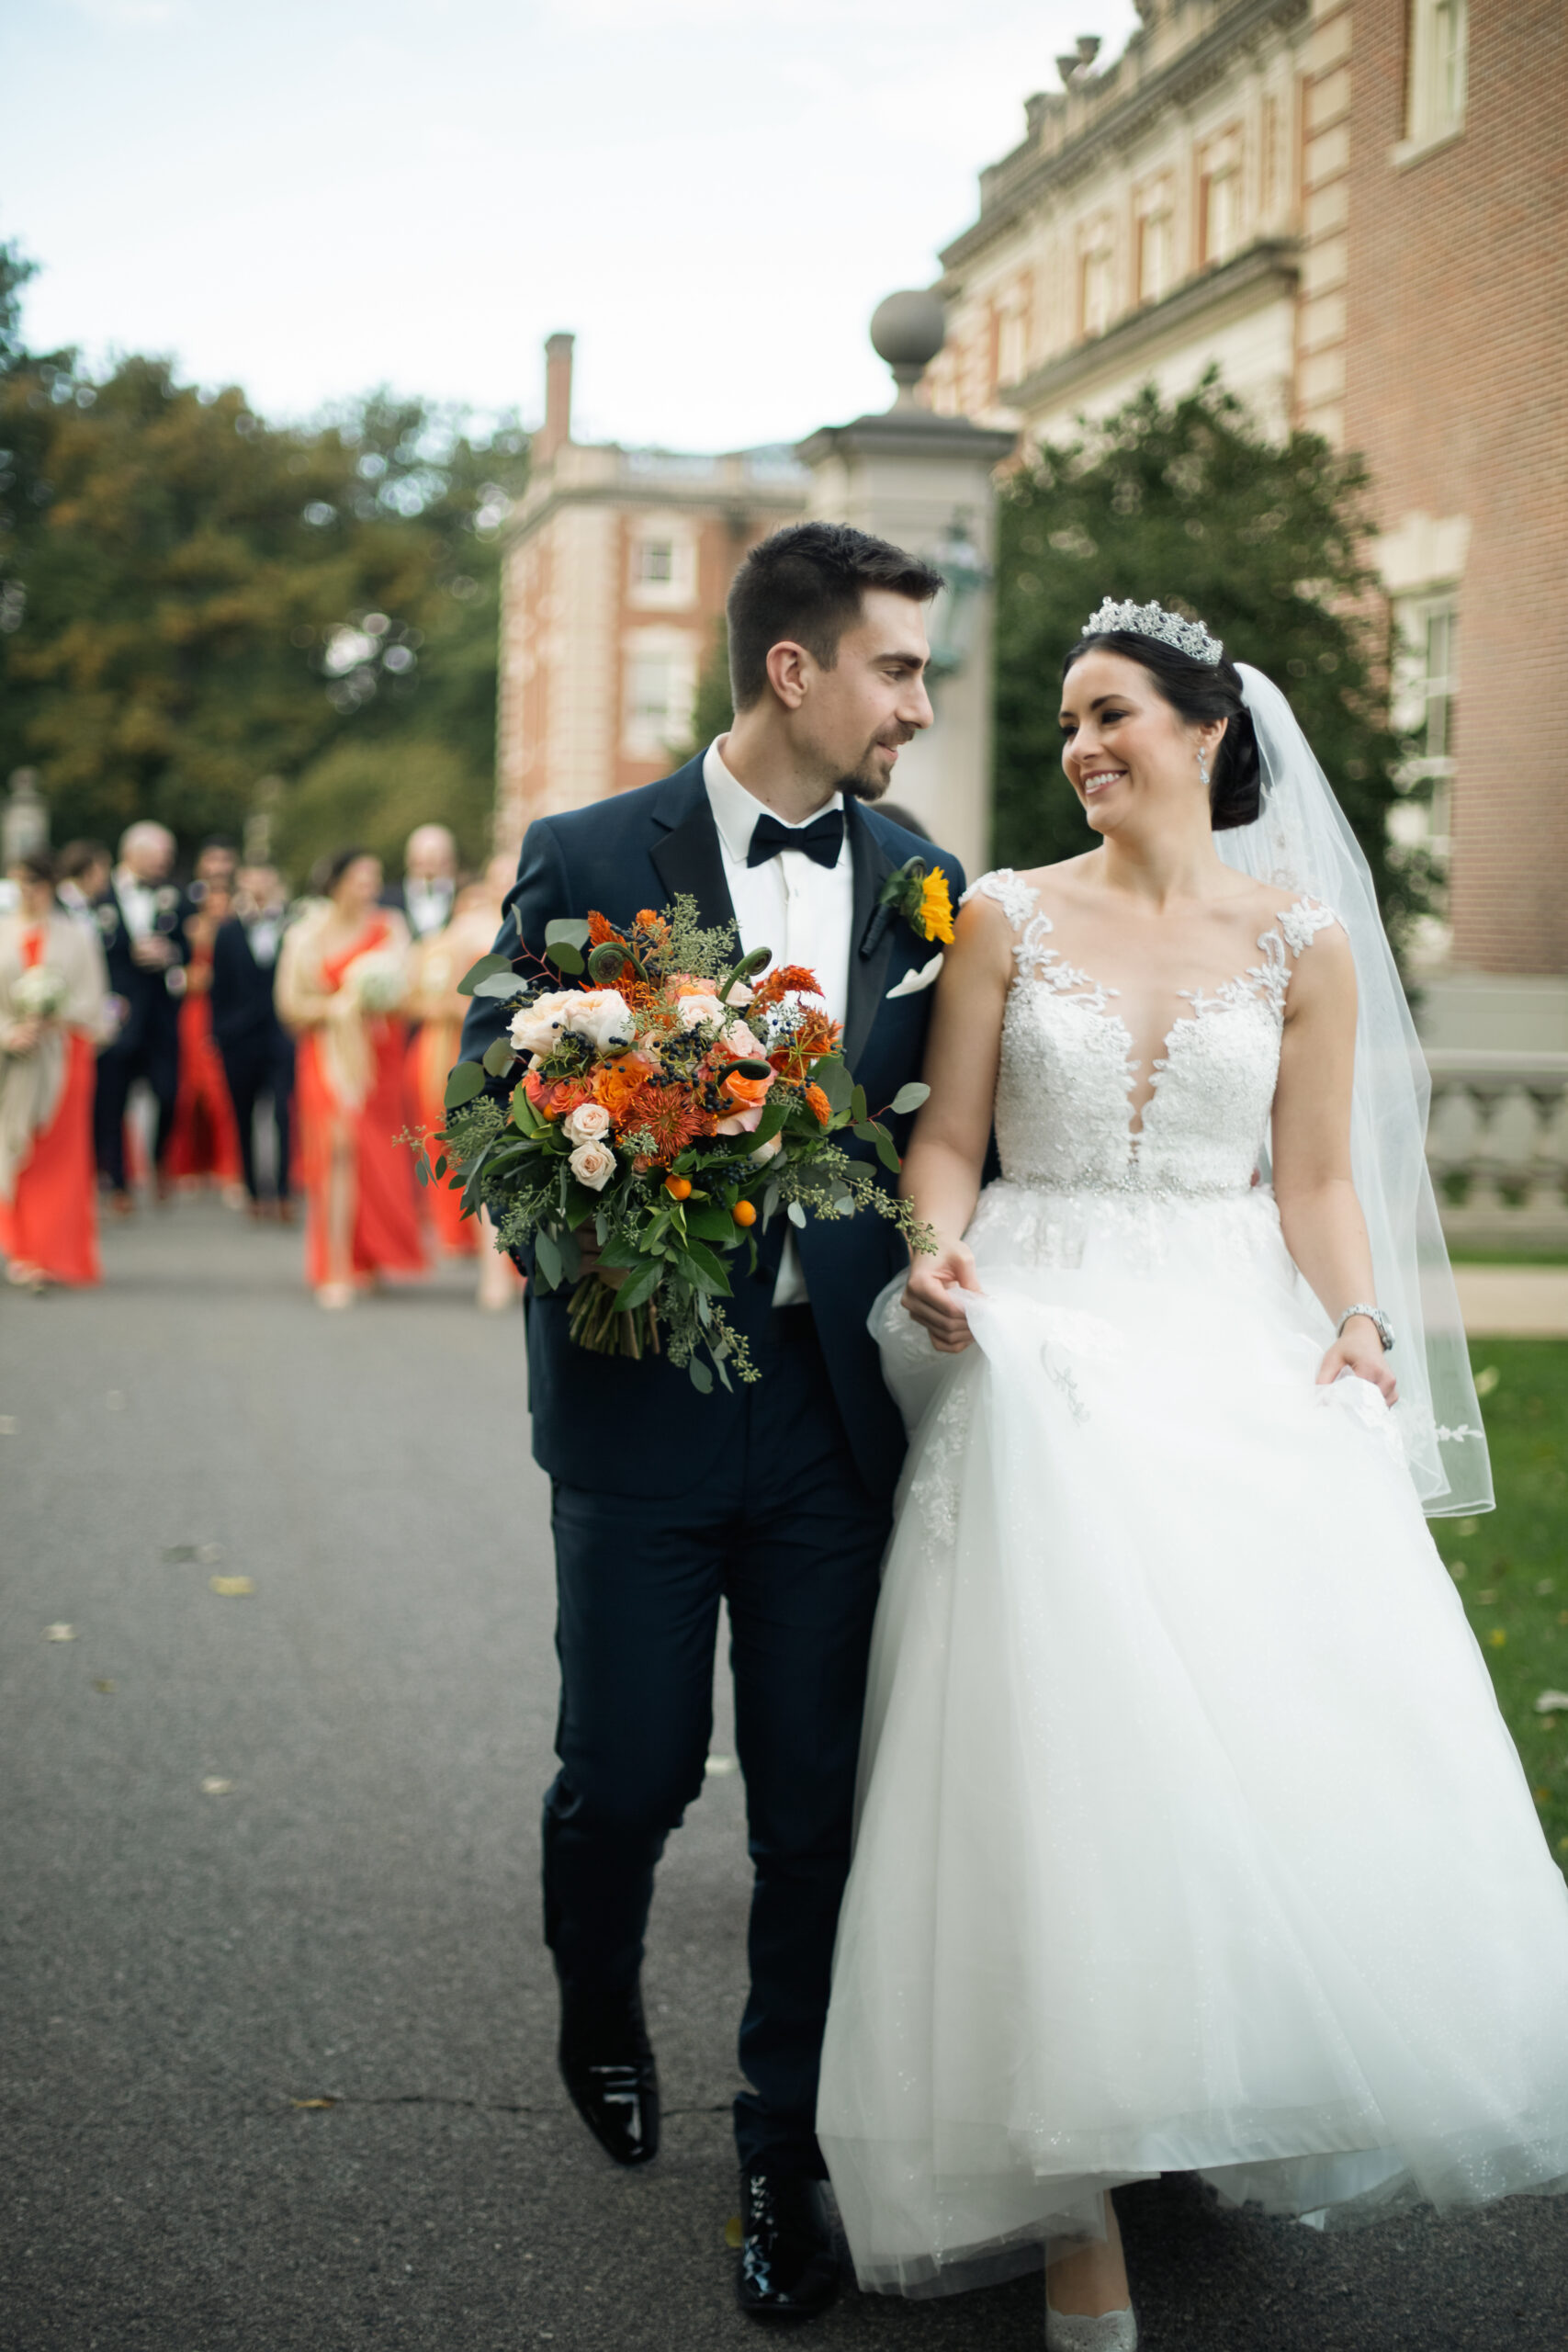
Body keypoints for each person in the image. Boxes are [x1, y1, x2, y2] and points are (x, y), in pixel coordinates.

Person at [815, 602, 1568, 2347]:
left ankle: (1191, 2080)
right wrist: (934, 1252)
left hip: (1226, 1330)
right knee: (1049, 1735)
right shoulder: (1004, 914)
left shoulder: (1300, 941)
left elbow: (1310, 1182)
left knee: (1240, 1731)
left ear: (1207, 730)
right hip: (1040, 1326)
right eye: (1068, 722)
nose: (1080, 746)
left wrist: (1358, 1320)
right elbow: (946, 1137)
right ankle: (1069, 2206)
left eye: (1112, 714)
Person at [458, 521, 964, 2323]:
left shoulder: (924, 881)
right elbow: (494, 1094)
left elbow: (949, 1129)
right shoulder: (589, 852)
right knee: (630, 1774)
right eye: (897, 667)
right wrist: (609, 1199)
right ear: (793, 669)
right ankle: (595, 1988)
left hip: (838, 1420)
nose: (921, 703)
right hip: (639, 1401)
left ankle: (778, 2157)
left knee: (813, 1808)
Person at [276, 847, 424, 1307]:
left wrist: (380, 998)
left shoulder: (391, 928)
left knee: (375, 1158)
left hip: (379, 1057)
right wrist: (339, 1007)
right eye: (362, 878)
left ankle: (368, 1256)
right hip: (326, 1055)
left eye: (375, 878)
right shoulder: (305, 935)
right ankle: (335, 1265)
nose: (370, 887)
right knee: (336, 1151)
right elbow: (291, 1006)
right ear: (337, 883)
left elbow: (409, 992)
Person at [406, 855, 520, 1305]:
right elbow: (444, 997)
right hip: (480, 1050)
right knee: (484, 1153)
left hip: (526, 1051)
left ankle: (520, 1264)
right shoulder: (465, 932)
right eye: (499, 877)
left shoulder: (536, 924)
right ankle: (494, 1272)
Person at [0, 849, 113, 1288]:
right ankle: (20, 1245)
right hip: (12, 1059)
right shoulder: (3, 932)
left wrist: (52, 1018)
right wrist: (11, 1032)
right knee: (16, 1149)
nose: (26, 892)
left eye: (33, 883)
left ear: (48, 886)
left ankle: (51, 1250)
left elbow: (93, 1000)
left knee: (58, 1156)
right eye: (19, 883)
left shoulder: (76, 936)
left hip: (63, 1055)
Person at [92, 820, 188, 1211]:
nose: (164, 863)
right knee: (113, 1099)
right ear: (132, 853)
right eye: (158, 855)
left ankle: (160, 1155)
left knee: (169, 1092)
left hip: (161, 1015)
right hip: (119, 1013)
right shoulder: (101, 896)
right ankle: (118, 1182)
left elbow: (188, 948)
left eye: (168, 856)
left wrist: (169, 955)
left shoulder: (175, 897)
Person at [211, 863, 297, 1221]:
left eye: (265, 878)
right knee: (243, 1115)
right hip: (239, 1039)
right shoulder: (227, 932)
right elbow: (218, 988)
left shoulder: (293, 927)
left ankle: (283, 1191)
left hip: (281, 1035)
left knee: (284, 1113)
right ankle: (252, 1190)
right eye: (252, 880)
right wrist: (220, 1034)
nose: (259, 886)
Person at [164, 847, 245, 1197]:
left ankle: (229, 1167)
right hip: (196, 1013)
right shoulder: (193, 928)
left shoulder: (235, 930)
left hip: (223, 1010)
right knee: (191, 1089)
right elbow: (177, 971)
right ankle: (189, 1165)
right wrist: (188, 978)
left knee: (221, 1090)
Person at [384, 823, 458, 941]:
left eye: (440, 861)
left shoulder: (467, 896)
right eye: (421, 862)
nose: (430, 870)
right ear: (409, 860)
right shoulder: (386, 900)